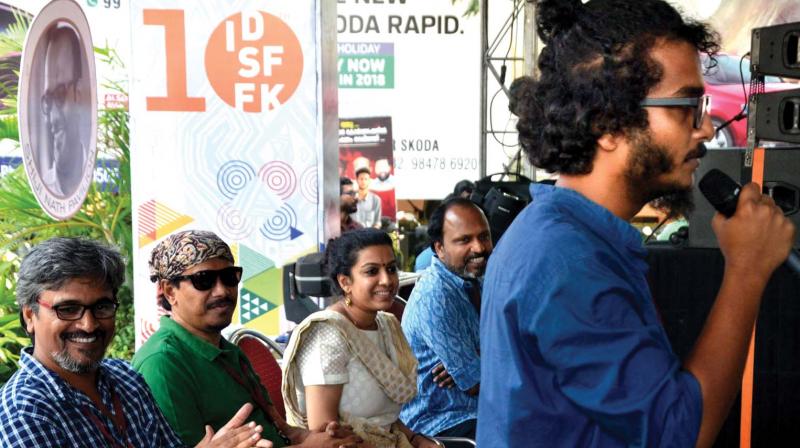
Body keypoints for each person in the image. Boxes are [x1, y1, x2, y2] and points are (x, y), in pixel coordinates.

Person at [477, 1, 796, 447]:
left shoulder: (565, 233)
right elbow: (682, 434)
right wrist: (746, 270)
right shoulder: (568, 262)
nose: (705, 128)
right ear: (608, 125)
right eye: (687, 105)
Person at [0, 237, 271, 447]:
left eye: (102, 307)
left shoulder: (126, 379)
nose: (89, 324)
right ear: (29, 316)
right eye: (68, 309)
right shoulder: (26, 412)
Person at [133, 230, 364, 448]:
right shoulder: (163, 364)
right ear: (170, 292)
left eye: (229, 277)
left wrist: (312, 437)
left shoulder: (225, 348)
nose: (222, 290)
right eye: (204, 280)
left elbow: (278, 429)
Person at [282, 229, 438, 448]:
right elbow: (326, 436)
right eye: (372, 271)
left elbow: (383, 418)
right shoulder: (327, 334)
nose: (386, 280)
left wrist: (415, 438)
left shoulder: (387, 325)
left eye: (391, 269)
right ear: (345, 282)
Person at [401, 198, 492, 440]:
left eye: (484, 236)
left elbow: (514, 340)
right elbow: (476, 383)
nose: (479, 247)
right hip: (441, 421)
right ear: (439, 248)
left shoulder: (479, 280)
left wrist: (481, 358)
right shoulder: (436, 295)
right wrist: (478, 363)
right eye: (464, 240)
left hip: (479, 410)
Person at [39, 24, 88, 198]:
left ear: (79, 94)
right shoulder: (43, 191)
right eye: (48, 99)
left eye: (59, 94)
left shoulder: (99, 177)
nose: (52, 117)